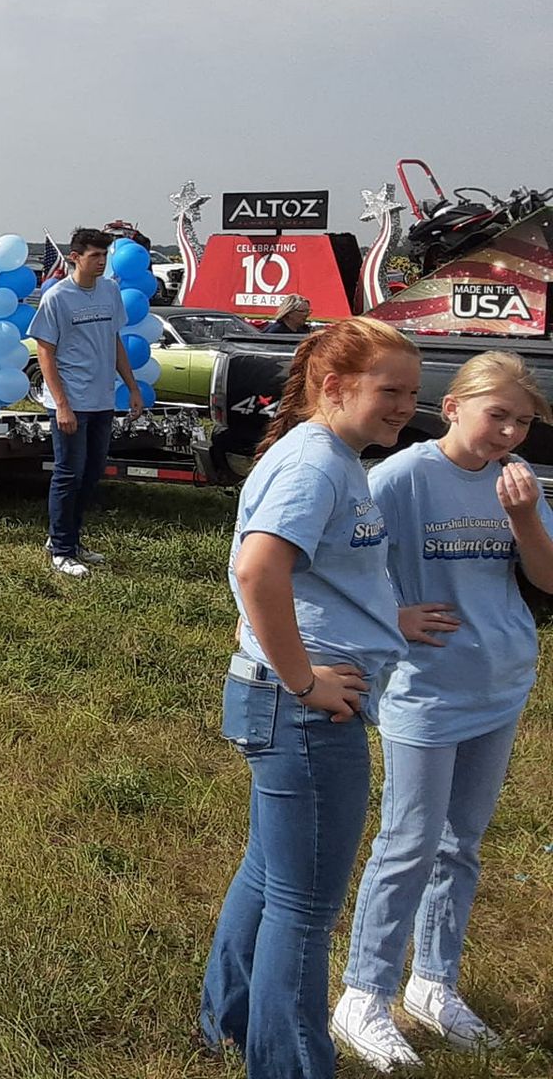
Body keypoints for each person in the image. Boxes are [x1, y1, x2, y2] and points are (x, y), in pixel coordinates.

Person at [199, 316, 421, 1078]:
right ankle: (290, 1065)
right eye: (390, 390)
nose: (404, 406)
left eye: (413, 393)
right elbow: (260, 572)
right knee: (306, 909)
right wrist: (305, 679)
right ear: (335, 387)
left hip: (284, 698)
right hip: (303, 709)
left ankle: (229, 1021)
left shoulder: (330, 456)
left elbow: (295, 575)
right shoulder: (316, 464)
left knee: (270, 876)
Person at [330, 353, 553, 1069]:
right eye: (499, 415)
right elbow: (336, 562)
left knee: (461, 845)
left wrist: (523, 517)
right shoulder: (401, 478)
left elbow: (548, 577)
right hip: (424, 689)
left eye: (521, 421)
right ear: (454, 405)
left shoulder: (517, 486)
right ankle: (362, 996)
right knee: (410, 841)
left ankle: (432, 984)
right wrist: (393, 617)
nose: (510, 432)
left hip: (500, 681)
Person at [33, 226, 142, 577]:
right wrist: (61, 404)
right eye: (95, 256)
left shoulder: (110, 291)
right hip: (71, 400)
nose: (101, 262)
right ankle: (61, 551)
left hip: (102, 399)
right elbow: (45, 352)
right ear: (75, 258)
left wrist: (132, 386)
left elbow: (115, 341)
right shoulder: (57, 297)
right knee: (69, 472)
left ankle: (68, 538)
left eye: (104, 256)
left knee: (93, 472)